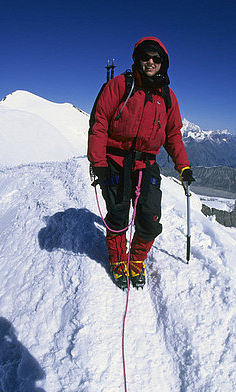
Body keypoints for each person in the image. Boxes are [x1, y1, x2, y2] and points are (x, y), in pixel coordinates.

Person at [88, 36, 195, 289]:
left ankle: (136, 260)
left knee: (149, 217)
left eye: (156, 59)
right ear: (138, 59)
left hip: (146, 165)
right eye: (146, 57)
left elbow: (172, 135)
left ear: (163, 63)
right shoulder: (120, 85)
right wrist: (98, 162)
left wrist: (184, 166)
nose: (150, 62)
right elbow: (99, 122)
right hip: (115, 161)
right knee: (117, 215)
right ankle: (118, 261)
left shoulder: (167, 97)